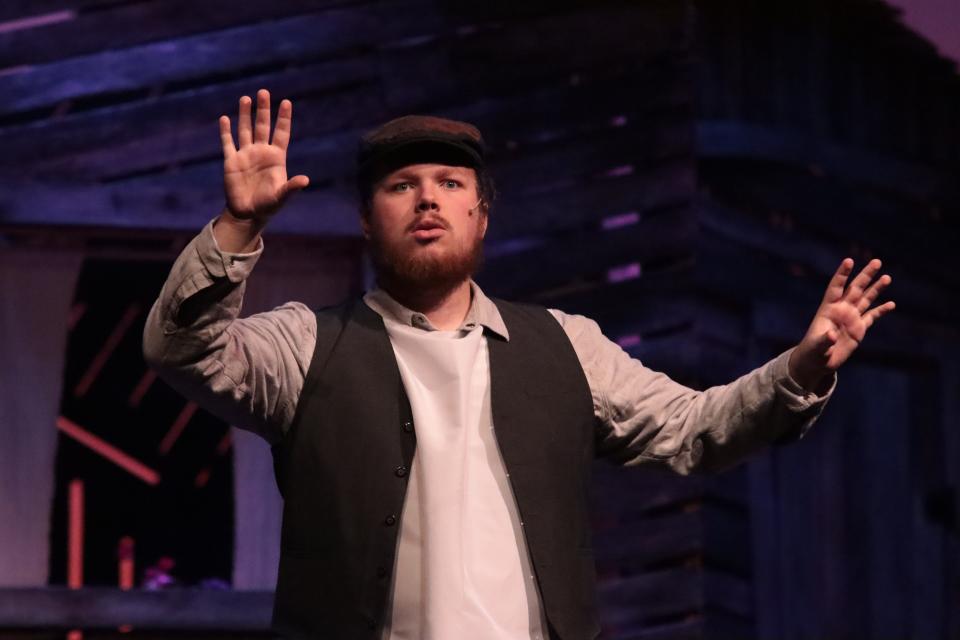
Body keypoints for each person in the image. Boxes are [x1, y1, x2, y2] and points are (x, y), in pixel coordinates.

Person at [143, 89, 895, 640]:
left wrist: (800, 369)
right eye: (402, 187)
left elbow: (695, 428)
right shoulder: (307, 343)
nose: (427, 201)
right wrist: (238, 226)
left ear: (481, 216)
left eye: (450, 184)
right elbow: (183, 351)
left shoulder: (565, 345)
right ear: (369, 221)